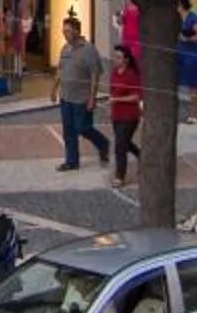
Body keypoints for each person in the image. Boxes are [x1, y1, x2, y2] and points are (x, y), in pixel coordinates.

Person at [53, 13, 110, 170]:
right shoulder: (65, 48)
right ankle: (72, 161)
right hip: (66, 97)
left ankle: (103, 143)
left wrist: (92, 98)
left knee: (83, 128)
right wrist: (54, 89)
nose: (65, 34)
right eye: (63, 31)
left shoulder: (89, 50)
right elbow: (60, 70)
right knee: (68, 130)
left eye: (68, 31)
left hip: (82, 98)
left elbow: (95, 74)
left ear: (77, 31)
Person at [107, 41, 144, 187]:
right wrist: (111, 107)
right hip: (117, 115)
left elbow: (136, 97)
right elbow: (112, 92)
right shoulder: (114, 73)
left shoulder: (131, 75)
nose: (115, 59)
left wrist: (117, 99)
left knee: (120, 146)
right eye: (114, 56)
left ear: (126, 59)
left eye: (118, 57)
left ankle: (120, 176)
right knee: (124, 142)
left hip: (130, 116)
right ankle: (141, 155)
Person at [175, 8, 197, 103]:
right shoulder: (172, 17)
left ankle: (193, 115)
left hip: (190, 56)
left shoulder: (192, 17)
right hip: (176, 56)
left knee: (193, 87)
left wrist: (187, 39)